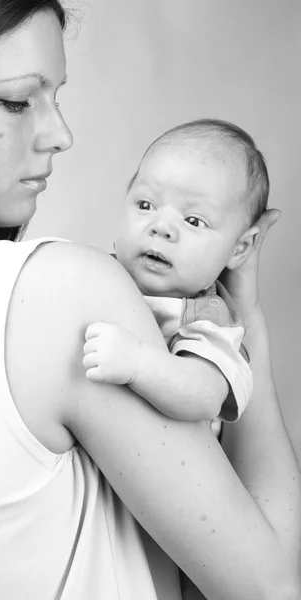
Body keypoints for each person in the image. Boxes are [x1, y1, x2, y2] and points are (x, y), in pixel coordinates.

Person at [0, 1, 300, 599]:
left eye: (56, 96)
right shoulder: (60, 292)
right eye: (16, 101)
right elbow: (270, 589)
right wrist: (251, 326)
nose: (61, 134)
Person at [83, 119, 268, 437]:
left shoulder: (208, 321)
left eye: (194, 220)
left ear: (240, 248)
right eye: (145, 204)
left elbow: (205, 395)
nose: (160, 226)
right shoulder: (96, 273)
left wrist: (138, 363)